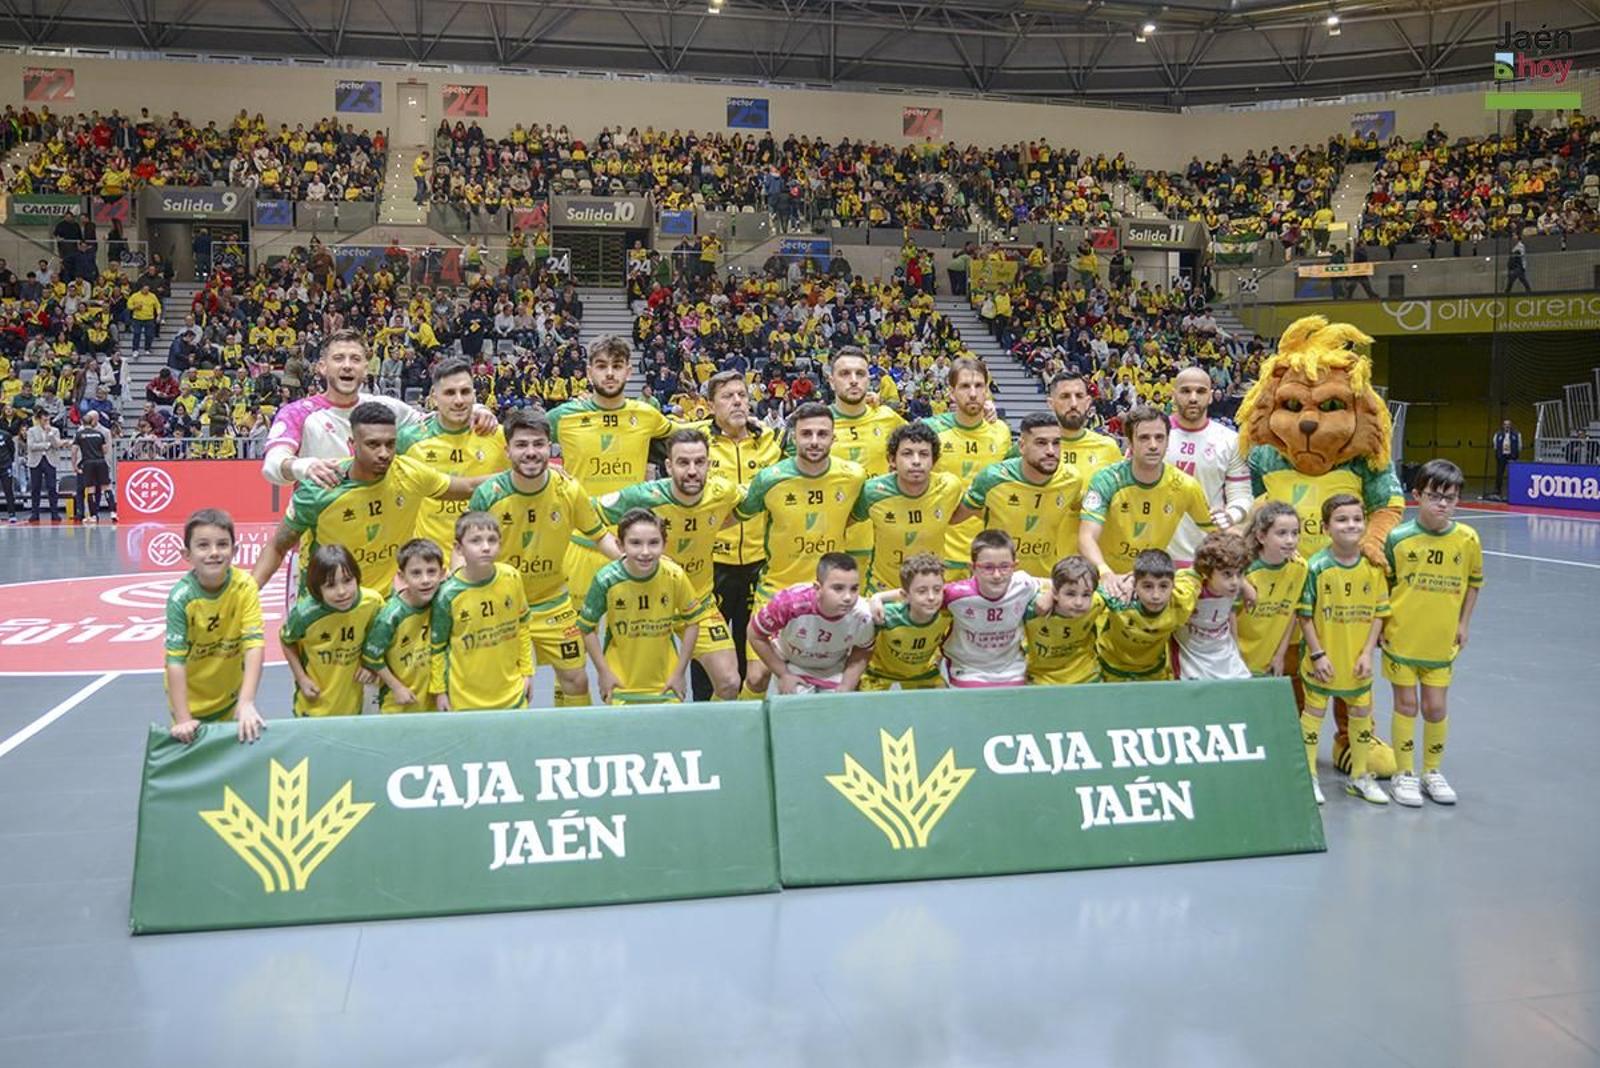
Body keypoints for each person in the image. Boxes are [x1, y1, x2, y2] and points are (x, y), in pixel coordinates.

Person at [252, 402, 482, 595]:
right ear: (352, 445)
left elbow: (468, 486)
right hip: (325, 610)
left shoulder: (410, 474)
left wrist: (516, 471)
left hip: (381, 606)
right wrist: (247, 598)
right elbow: (277, 546)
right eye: (373, 444)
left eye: (390, 444)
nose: (384, 453)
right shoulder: (319, 489)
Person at [471, 408, 618, 708]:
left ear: (549, 448)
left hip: (553, 604)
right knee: (505, 686)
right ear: (507, 449)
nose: (530, 452)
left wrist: (637, 561)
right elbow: (468, 548)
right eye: (522, 445)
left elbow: (600, 536)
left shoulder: (568, 489)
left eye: (538, 444)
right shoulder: (489, 494)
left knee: (576, 679)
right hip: (502, 606)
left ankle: (574, 743)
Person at [594, 428, 743, 700]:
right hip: (648, 603)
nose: (692, 470)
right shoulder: (642, 496)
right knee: (638, 694)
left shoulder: (723, 492)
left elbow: (746, 507)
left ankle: (706, 738)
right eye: (683, 462)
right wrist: (626, 558)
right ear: (668, 465)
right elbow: (587, 517)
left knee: (730, 682)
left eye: (699, 462)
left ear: (709, 464)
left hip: (699, 601)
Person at [261, 328, 497, 489]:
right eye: (339, 358)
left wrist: (474, 408)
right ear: (322, 367)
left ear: (365, 368)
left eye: (355, 359)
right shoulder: (298, 412)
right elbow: (272, 465)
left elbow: (435, 421)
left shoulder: (386, 407)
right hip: (317, 545)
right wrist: (303, 466)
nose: (347, 366)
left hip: (376, 540)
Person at [1382, 460, 1483, 808]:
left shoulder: (1468, 539)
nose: (1442, 504)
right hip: (1402, 637)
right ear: (1417, 496)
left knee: (1436, 707)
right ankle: (1404, 773)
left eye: (1450, 498)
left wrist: (1463, 623)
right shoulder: (1397, 538)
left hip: (1441, 641)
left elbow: (1473, 584)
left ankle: (1432, 770)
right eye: (1434, 496)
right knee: (1407, 705)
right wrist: (1382, 627)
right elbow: (1385, 587)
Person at [547, 335, 676, 604]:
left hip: (633, 546)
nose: (609, 373)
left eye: (617, 366)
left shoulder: (647, 415)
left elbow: (689, 435)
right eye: (602, 365)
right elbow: (510, 441)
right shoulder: (564, 416)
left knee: (633, 641)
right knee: (579, 638)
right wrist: (547, 468)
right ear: (589, 371)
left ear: (629, 372)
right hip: (581, 544)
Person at [1297, 494, 1391, 806]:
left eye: (1356, 518)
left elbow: (1380, 614)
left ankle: (1360, 776)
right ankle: (1308, 774)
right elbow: (1305, 616)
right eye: (1341, 519)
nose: (1350, 524)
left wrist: (1367, 653)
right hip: (1323, 662)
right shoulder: (1317, 567)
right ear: (1326, 527)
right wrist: (1317, 654)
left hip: (1356, 662)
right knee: (1314, 714)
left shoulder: (1374, 567)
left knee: (1361, 713)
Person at [732, 401, 867, 609]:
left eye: (822, 434)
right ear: (794, 437)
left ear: (833, 438)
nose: (814, 441)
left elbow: (851, 518)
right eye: (806, 434)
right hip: (776, 591)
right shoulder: (768, 480)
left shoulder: (854, 477)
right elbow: (732, 518)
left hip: (830, 593)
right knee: (758, 641)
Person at [1079, 406, 1216, 597]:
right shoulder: (1106, 480)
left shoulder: (1185, 486)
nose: (1153, 445)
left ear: (1168, 442)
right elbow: (1086, 536)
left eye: (1159, 438)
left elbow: (1217, 533)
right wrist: (1105, 573)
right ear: (1130, 443)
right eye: (1144, 438)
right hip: (1107, 584)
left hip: (1151, 587)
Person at [706, 370, 784, 697]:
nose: (737, 401)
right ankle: (705, 718)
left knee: (751, 656)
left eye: (742, 394)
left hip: (758, 563)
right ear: (710, 406)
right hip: (712, 564)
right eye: (727, 396)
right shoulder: (696, 439)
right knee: (710, 656)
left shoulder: (771, 439)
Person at [579, 508, 705, 704]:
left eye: (653, 543)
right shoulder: (606, 579)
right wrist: (604, 672)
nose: (645, 552)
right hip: (620, 685)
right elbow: (586, 628)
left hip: (666, 685)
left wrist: (680, 672)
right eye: (635, 543)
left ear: (665, 544)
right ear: (620, 545)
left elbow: (693, 621)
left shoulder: (675, 575)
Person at [163, 509, 266, 744]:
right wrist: (182, 719)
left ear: (235, 550)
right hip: (191, 706)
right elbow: (175, 661)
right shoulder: (181, 598)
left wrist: (247, 701)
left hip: (232, 702)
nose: (214, 553)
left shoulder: (245, 587)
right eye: (203, 545)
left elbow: (254, 645)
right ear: (186, 554)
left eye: (222, 544)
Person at [397, 357, 509, 552]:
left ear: (474, 395)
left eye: (465, 392)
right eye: (449, 393)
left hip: (483, 560)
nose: (458, 400)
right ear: (434, 396)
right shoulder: (409, 440)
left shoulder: (496, 434)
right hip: (430, 566)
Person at [953, 412, 1081, 580]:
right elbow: (953, 518)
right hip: (997, 584)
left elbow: (1085, 510)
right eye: (1041, 443)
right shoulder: (992, 479)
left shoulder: (1072, 480)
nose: (1051, 451)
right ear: (1021, 446)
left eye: (1056, 443)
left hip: (1044, 584)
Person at [428, 511, 534, 711]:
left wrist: (527, 672)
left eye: (492, 540)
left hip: (512, 694)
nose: (486, 547)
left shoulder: (512, 577)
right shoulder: (447, 595)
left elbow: (523, 627)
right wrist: (440, 691)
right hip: (465, 700)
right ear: (459, 548)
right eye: (476, 541)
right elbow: (438, 648)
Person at [851, 422, 963, 593]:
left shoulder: (950, 487)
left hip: (931, 594)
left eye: (924, 454)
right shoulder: (872, 492)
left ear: (935, 461)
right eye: (907, 453)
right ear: (891, 460)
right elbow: (843, 523)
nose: (916, 461)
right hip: (883, 591)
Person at [926, 358, 1012, 576]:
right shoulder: (930, 431)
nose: (973, 393)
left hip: (988, 556)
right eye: (965, 386)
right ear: (951, 393)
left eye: (979, 386)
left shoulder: (1001, 431)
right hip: (939, 553)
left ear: (987, 390)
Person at [746, 552, 876, 695]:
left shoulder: (863, 615)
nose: (848, 597)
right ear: (817, 588)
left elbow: (863, 649)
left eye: (854, 589)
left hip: (833, 667)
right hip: (791, 662)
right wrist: (783, 674)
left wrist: (846, 685)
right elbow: (755, 634)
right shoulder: (789, 603)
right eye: (838, 588)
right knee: (798, 703)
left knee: (836, 708)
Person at [280, 544, 385, 717]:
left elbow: (379, 636)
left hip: (353, 706)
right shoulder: (304, 614)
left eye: (347, 581)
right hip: (312, 708)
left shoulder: (373, 603)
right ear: (316, 589)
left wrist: (371, 665)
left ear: (357, 578)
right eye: (330, 585)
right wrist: (302, 679)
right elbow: (286, 640)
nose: (342, 592)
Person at [940, 530, 1051, 689]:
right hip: (968, 669)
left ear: (1015, 565)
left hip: (1012, 668)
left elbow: (1063, 583)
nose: (997, 575)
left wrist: (1052, 593)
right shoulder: (955, 594)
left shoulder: (1024, 584)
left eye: (1005, 566)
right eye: (988, 567)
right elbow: (914, 595)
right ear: (973, 568)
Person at [1166, 367, 1250, 566]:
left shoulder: (1229, 440)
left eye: (1201, 391)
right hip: (1157, 558)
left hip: (1209, 556)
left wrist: (1230, 515)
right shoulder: (1151, 435)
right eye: (1185, 391)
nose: (1193, 398)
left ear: (1211, 396)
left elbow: (1242, 495)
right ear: (1173, 395)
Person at [361, 538, 446, 713]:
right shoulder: (390, 616)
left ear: (442, 573)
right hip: (399, 704)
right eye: (416, 573)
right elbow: (371, 657)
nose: (425, 580)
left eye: (431, 572)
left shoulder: (443, 601)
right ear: (402, 576)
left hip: (436, 702)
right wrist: (397, 687)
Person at [1096, 549, 1201, 682]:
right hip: (1110, 667)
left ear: (1174, 585)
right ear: (1134, 585)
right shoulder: (1118, 598)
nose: (1156, 596)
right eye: (1147, 586)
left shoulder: (1181, 601)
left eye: (1163, 586)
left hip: (1154, 671)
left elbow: (1199, 568)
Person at [1236, 501, 1308, 677]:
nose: (1290, 540)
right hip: (1237, 662)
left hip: (1268, 663)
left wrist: (1280, 655)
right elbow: (1227, 618)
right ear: (1261, 536)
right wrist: (1233, 658)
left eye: (1295, 533)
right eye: (1281, 533)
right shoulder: (1243, 572)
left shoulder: (1300, 568)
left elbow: (1291, 613)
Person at [860, 553, 951, 691]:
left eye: (937, 590)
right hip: (879, 676)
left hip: (924, 676)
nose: (932, 597)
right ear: (905, 596)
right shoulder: (885, 615)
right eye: (922, 591)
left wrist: (880, 595)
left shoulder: (948, 612)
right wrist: (876, 597)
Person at [1173, 531, 1251, 680]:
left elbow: (1230, 613)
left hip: (1223, 651)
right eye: (1227, 574)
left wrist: (1247, 586)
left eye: (1240, 574)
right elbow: (1158, 570)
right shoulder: (1191, 585)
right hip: (1192, 656)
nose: (1235, 581)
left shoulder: (1231, 588)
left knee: (1242, 688)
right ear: (1208, 573)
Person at [1023, 555, 1106, 686]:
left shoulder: (1098, 602)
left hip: (1086, 675)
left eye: (1086, 594)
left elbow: (1127, 586)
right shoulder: (1034, 608)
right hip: (1042, 678)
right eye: (1070, 594)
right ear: (1055, 593)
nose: (1079, 602)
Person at [1048, 373, 1124, 476]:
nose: (1074, 404)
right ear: (1051, 404)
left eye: (1079, 396)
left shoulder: (1108, 447)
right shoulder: (1037, 449)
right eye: (1065, 396)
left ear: (1087, 402)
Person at [72, 410, 112, 524]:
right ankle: (81, 512)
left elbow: (107, 450)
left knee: (96, 489)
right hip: (84, 462)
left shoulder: (105, 432)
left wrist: (107, 463)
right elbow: (75, 447)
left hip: (95, 463)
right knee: (80, 488)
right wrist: (76, 464)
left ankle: (95, 512)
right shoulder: (80, 431)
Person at [25, 409, 62, 523]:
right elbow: (31, 446)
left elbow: (56, 445)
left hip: (50, 460)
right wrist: (46, 445)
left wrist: (50, 434)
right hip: (36, 460)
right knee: (35, 488)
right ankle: (35, 513)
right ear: (38, 420)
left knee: (52, 487)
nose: (47, 422)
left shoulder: (55, 430)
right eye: (44, 419)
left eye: (48, 419)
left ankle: (54, 513)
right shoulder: (31, 431)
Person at [1491, 418, 1521, 498]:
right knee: (1499, 474)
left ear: (1511, 426)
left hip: (1512, 456)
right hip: (1502, 456)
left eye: (1508, 425)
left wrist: (1515, 455)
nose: (1507, 426)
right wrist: (1498, 454)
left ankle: (1513, 490)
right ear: (1503, 426)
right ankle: (1497, 491)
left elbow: (1519, 446)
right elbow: (1495, 445)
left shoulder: (1516, 434)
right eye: (1505, 425)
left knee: (1512, 474)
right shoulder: (1498, 434)